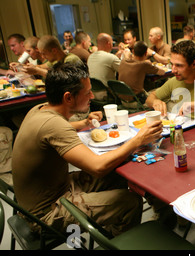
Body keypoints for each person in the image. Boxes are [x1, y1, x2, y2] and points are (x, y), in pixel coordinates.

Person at [12, 62, 164, 236]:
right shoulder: (54, 125)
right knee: (131, 201)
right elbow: (97, 167)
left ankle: (111, 227)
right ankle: (117, 242)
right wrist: (138, 140)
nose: (92, 96)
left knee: (118, 173)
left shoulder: (40, 110)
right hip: (45, 214)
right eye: (87, 92)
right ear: (68, 97)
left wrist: (83, 123)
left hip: (53, 190)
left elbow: (61, 128)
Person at [87, 33, 121, 100]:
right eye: (112, 43)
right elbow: (125, 70)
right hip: (106, 95)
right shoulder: (111, 57)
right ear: (108, 43)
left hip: (92, 93)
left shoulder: (90, 56)